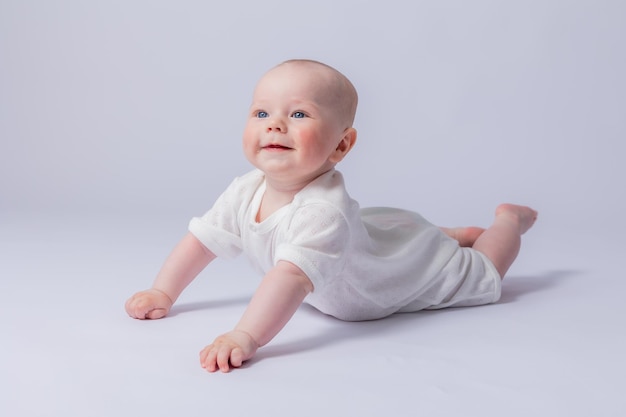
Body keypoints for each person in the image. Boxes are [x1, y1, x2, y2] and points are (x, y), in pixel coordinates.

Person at [125, 59, 538, 373]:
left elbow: (288, 278)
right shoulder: (245, 188)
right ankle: (448, 233)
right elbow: (202, 240)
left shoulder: (324, 214)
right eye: (261, 113)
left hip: (387, 279)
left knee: (482, 272)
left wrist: (244, 335)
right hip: (368, 240)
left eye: (299, 114)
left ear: (341, 145)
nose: (275, 126)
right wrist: (164, 292)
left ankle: (505, 223)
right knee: (393, 233)